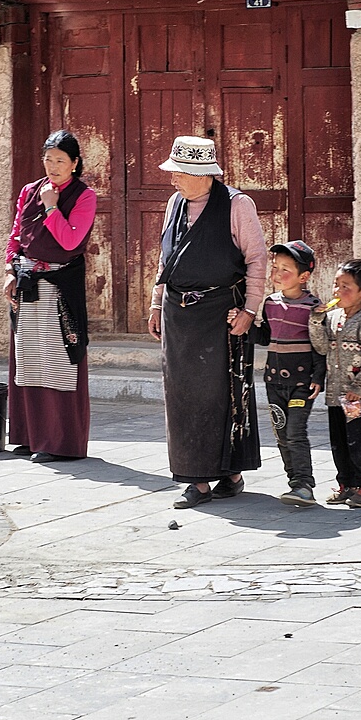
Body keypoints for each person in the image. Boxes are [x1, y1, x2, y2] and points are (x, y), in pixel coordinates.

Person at [148, 135, 268, 509]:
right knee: (182, 397)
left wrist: (249, 311)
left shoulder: (237, 205)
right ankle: (196, 480)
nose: (173, 180)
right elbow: (166, 259)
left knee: (223, 395)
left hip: (220, 313)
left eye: (179, 173)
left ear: (202, 174)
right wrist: (155, 304)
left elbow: (257, 259)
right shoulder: (175, 204)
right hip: (177, 313)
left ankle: (230, 473)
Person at [3, 129, 97, 462]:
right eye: (48, 159)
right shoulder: (29, 191)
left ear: (75, 163)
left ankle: (60, 443)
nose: (53, 166)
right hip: (29, 283)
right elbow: (16, 237)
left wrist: (53, 208)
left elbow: (71, 242)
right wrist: (10, 271)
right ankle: (29, 436)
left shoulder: (83, 196)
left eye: (60, 160)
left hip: (61, 287)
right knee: (28, 361)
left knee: (59, 361)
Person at [231, 240, 326, 506]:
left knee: (296, 431)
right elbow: (264, 337)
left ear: (303, 276)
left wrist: (318, 378)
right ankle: (294, 483)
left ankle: (305, 485)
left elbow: (321, 347)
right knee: (282, 434)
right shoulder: (270, 303)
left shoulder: (314, 308)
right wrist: (242, 321)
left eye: (286, 269)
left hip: (301, 383)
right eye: (275, 267)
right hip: (273, 382)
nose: (276, 274)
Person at [309, 258, 361, 507]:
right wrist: (316, 321)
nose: (337, 292)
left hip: (356, 398)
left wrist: (358, 387)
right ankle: (346, 484)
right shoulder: (332, 318)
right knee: (339, 442)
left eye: (345, 287)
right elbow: (321, 347)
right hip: (335, 395)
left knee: (358, 442)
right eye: (336, 285)